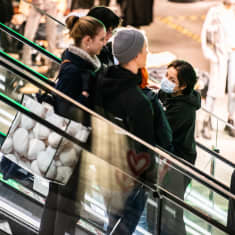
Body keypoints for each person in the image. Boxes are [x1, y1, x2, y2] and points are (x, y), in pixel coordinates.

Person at [38, 15, 106, 235]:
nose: (104, 44)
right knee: (64, 205)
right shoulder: (74, 70)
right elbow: (65, 111)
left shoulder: (81, 66)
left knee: (61, 202)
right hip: (68, 149)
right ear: (87, 41)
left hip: (71, 148)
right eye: (102, 39)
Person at [98, 28, 157, 234]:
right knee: (123, 228)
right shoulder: (137, 100)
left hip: (103, 167)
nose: (148, 53)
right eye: (145, 49)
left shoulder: (101, 82)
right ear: (135, 55)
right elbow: (145, 147)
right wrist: (150, 179)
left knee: (112, 222)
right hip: (128, 177)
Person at [158, 60, 201, 235]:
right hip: (174, 160)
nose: (166, 81)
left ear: (183, 86)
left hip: (178, 165)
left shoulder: (183, 109)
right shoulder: (176, 96)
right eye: (166, 75)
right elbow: (162, 96)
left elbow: (162, 131)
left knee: (171, 213)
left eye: (172, 79)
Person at [201, 0, 235, 139]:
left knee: (234, 88)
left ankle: (231, 120)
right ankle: (206, 120)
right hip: (219, 53)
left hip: (233, 54)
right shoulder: (215, 11)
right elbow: (205, 35)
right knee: (214, 88)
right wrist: (210, 54)